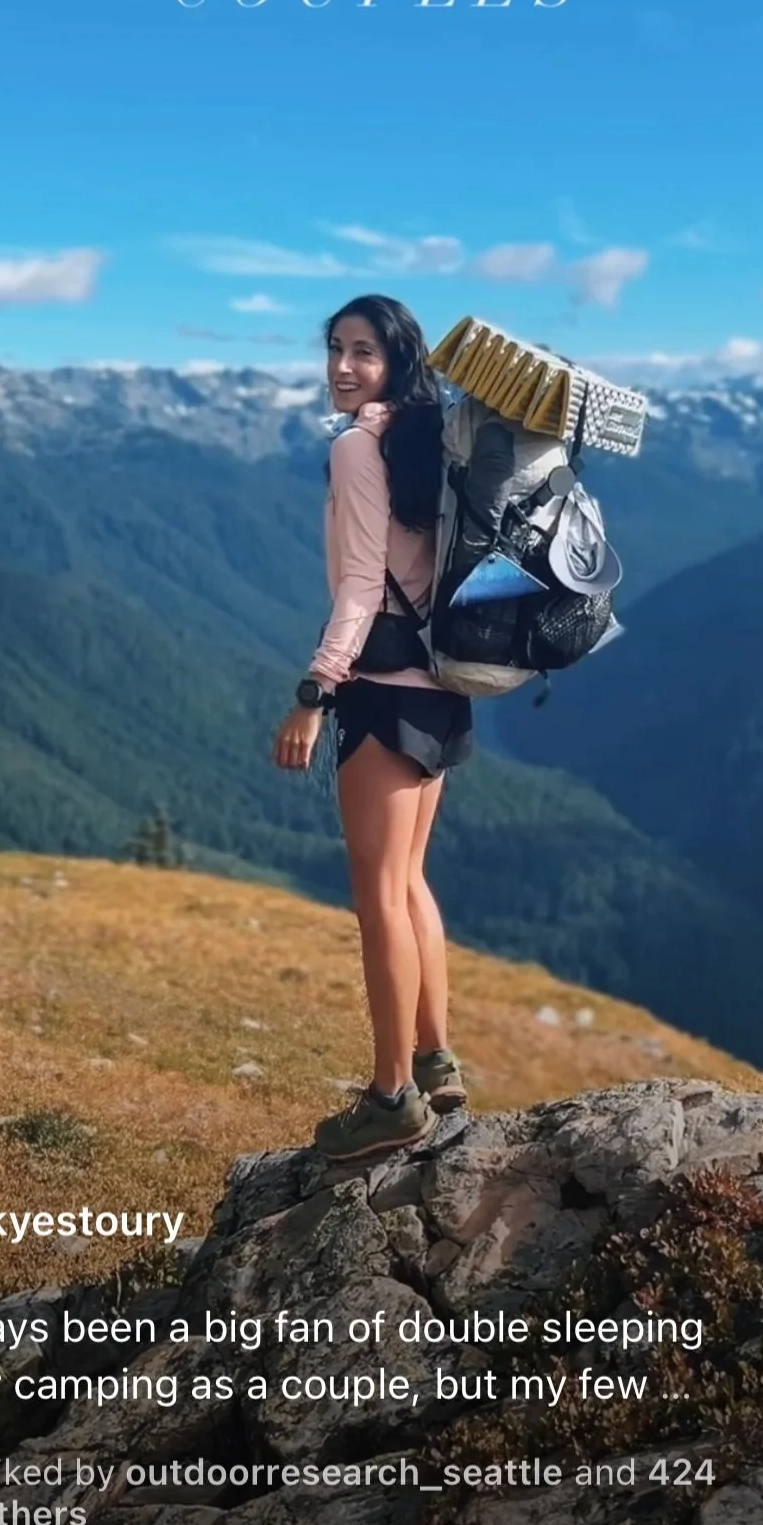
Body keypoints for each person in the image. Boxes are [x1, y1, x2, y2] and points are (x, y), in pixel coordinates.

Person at [272, 295, 474, 1160]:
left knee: (378, 899)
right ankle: (436, 1060)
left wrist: (314, 696)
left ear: (396, 360)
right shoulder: (429, 434)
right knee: (411, 883)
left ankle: (391, 1097)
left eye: (364, 352)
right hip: (442, 687)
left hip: (383, 691)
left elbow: (360, 586)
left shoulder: (359, 446)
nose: (344, 366)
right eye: (336, 349)